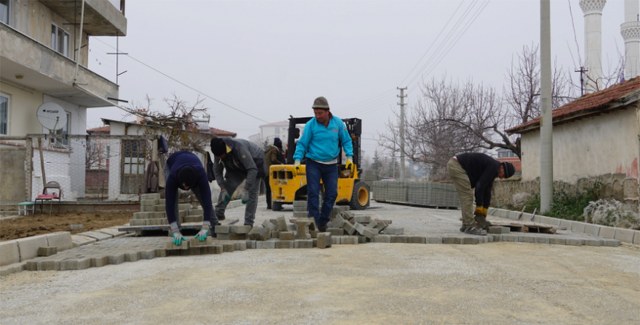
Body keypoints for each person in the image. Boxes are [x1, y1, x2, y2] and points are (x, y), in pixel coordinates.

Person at [293, 96, 353, 232]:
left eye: (320, 113)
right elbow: (302, 143)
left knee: (332, 194)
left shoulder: (338, 124)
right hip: (313, 162)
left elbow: (346, 141)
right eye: (315, 113)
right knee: (313, 192)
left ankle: (322, 221)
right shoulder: (311, 125)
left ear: (327, 111)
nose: (317, 116)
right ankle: (313, 223)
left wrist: (349, 156)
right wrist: (297, 159)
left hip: (331, 165)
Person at [447, 152, 515, 236]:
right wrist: (479, 210)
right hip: (457, 165)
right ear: (502, 168)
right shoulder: (493, 167)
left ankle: (465, 225)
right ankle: (469, 225)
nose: (501, 178)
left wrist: (484, 213)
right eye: (503, 175)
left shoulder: (492, 169)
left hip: (456, 165)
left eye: (504, 177)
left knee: (467, 195)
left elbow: (487, 191)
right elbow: (479, 187)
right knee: (467, 196)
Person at [210, 137, 266, 227]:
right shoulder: (218, 151)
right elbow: (217, 170)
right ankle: (218, 214)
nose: (220, 157)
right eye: (218, 156)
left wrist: (246, 188)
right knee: (228, 186)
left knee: (252, 193)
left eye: (221, 155)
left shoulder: (239, 148)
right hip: (236, 165)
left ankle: (248, 223)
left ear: (226, 150)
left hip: (255, 161)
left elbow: (252, 169)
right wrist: (223, 187)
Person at [165, 151, 216, 245]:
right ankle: (176, 231)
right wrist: (175, 230)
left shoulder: (201, 174)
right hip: (172, 162)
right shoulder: (172, 177)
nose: (185, 189)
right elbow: (169, 204)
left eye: (188, 187)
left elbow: (207, 199)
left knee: (202, 197)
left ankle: (213, 225)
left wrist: (205, 227)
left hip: (193, 163)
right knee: (173, 200)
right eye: (183, 186)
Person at [264, 137, 285, 209]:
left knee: (268, 189)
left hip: (265, 172)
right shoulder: (274, 149)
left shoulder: (267, 150)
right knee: (275, 188)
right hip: (271, 173)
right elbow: (273, 159)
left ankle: (269, 205)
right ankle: (276, 204)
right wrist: (281, 164)